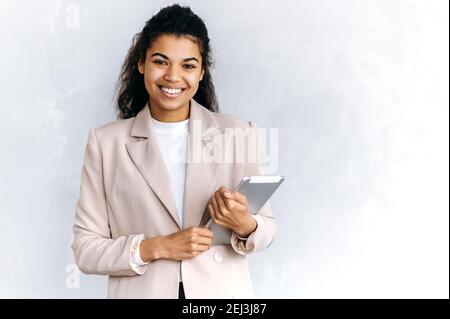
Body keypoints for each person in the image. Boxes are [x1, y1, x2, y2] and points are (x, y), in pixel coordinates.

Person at [71, 4, 275, 299]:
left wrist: (245, 224)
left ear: (202, 72)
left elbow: (267, 229)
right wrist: (158, 246)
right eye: (161, 61)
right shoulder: (105, 144)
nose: (173, 76)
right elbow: (85, 250)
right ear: (141, 63)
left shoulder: (238, 134)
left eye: (188, 65)